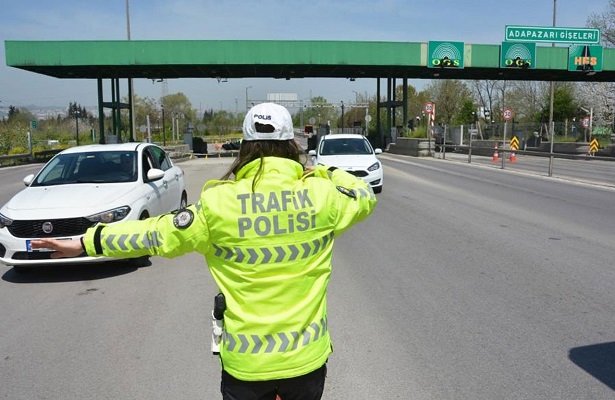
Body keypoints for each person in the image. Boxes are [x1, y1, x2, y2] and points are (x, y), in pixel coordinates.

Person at [31, 102, 377, 400]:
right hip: (306, 361)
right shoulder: (321, 197)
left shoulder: (218, 204)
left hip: (246, 366)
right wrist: (324, 171)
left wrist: (86, 241)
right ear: (291, 145)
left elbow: (154, 234)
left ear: (244, 146)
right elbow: (363, 195)